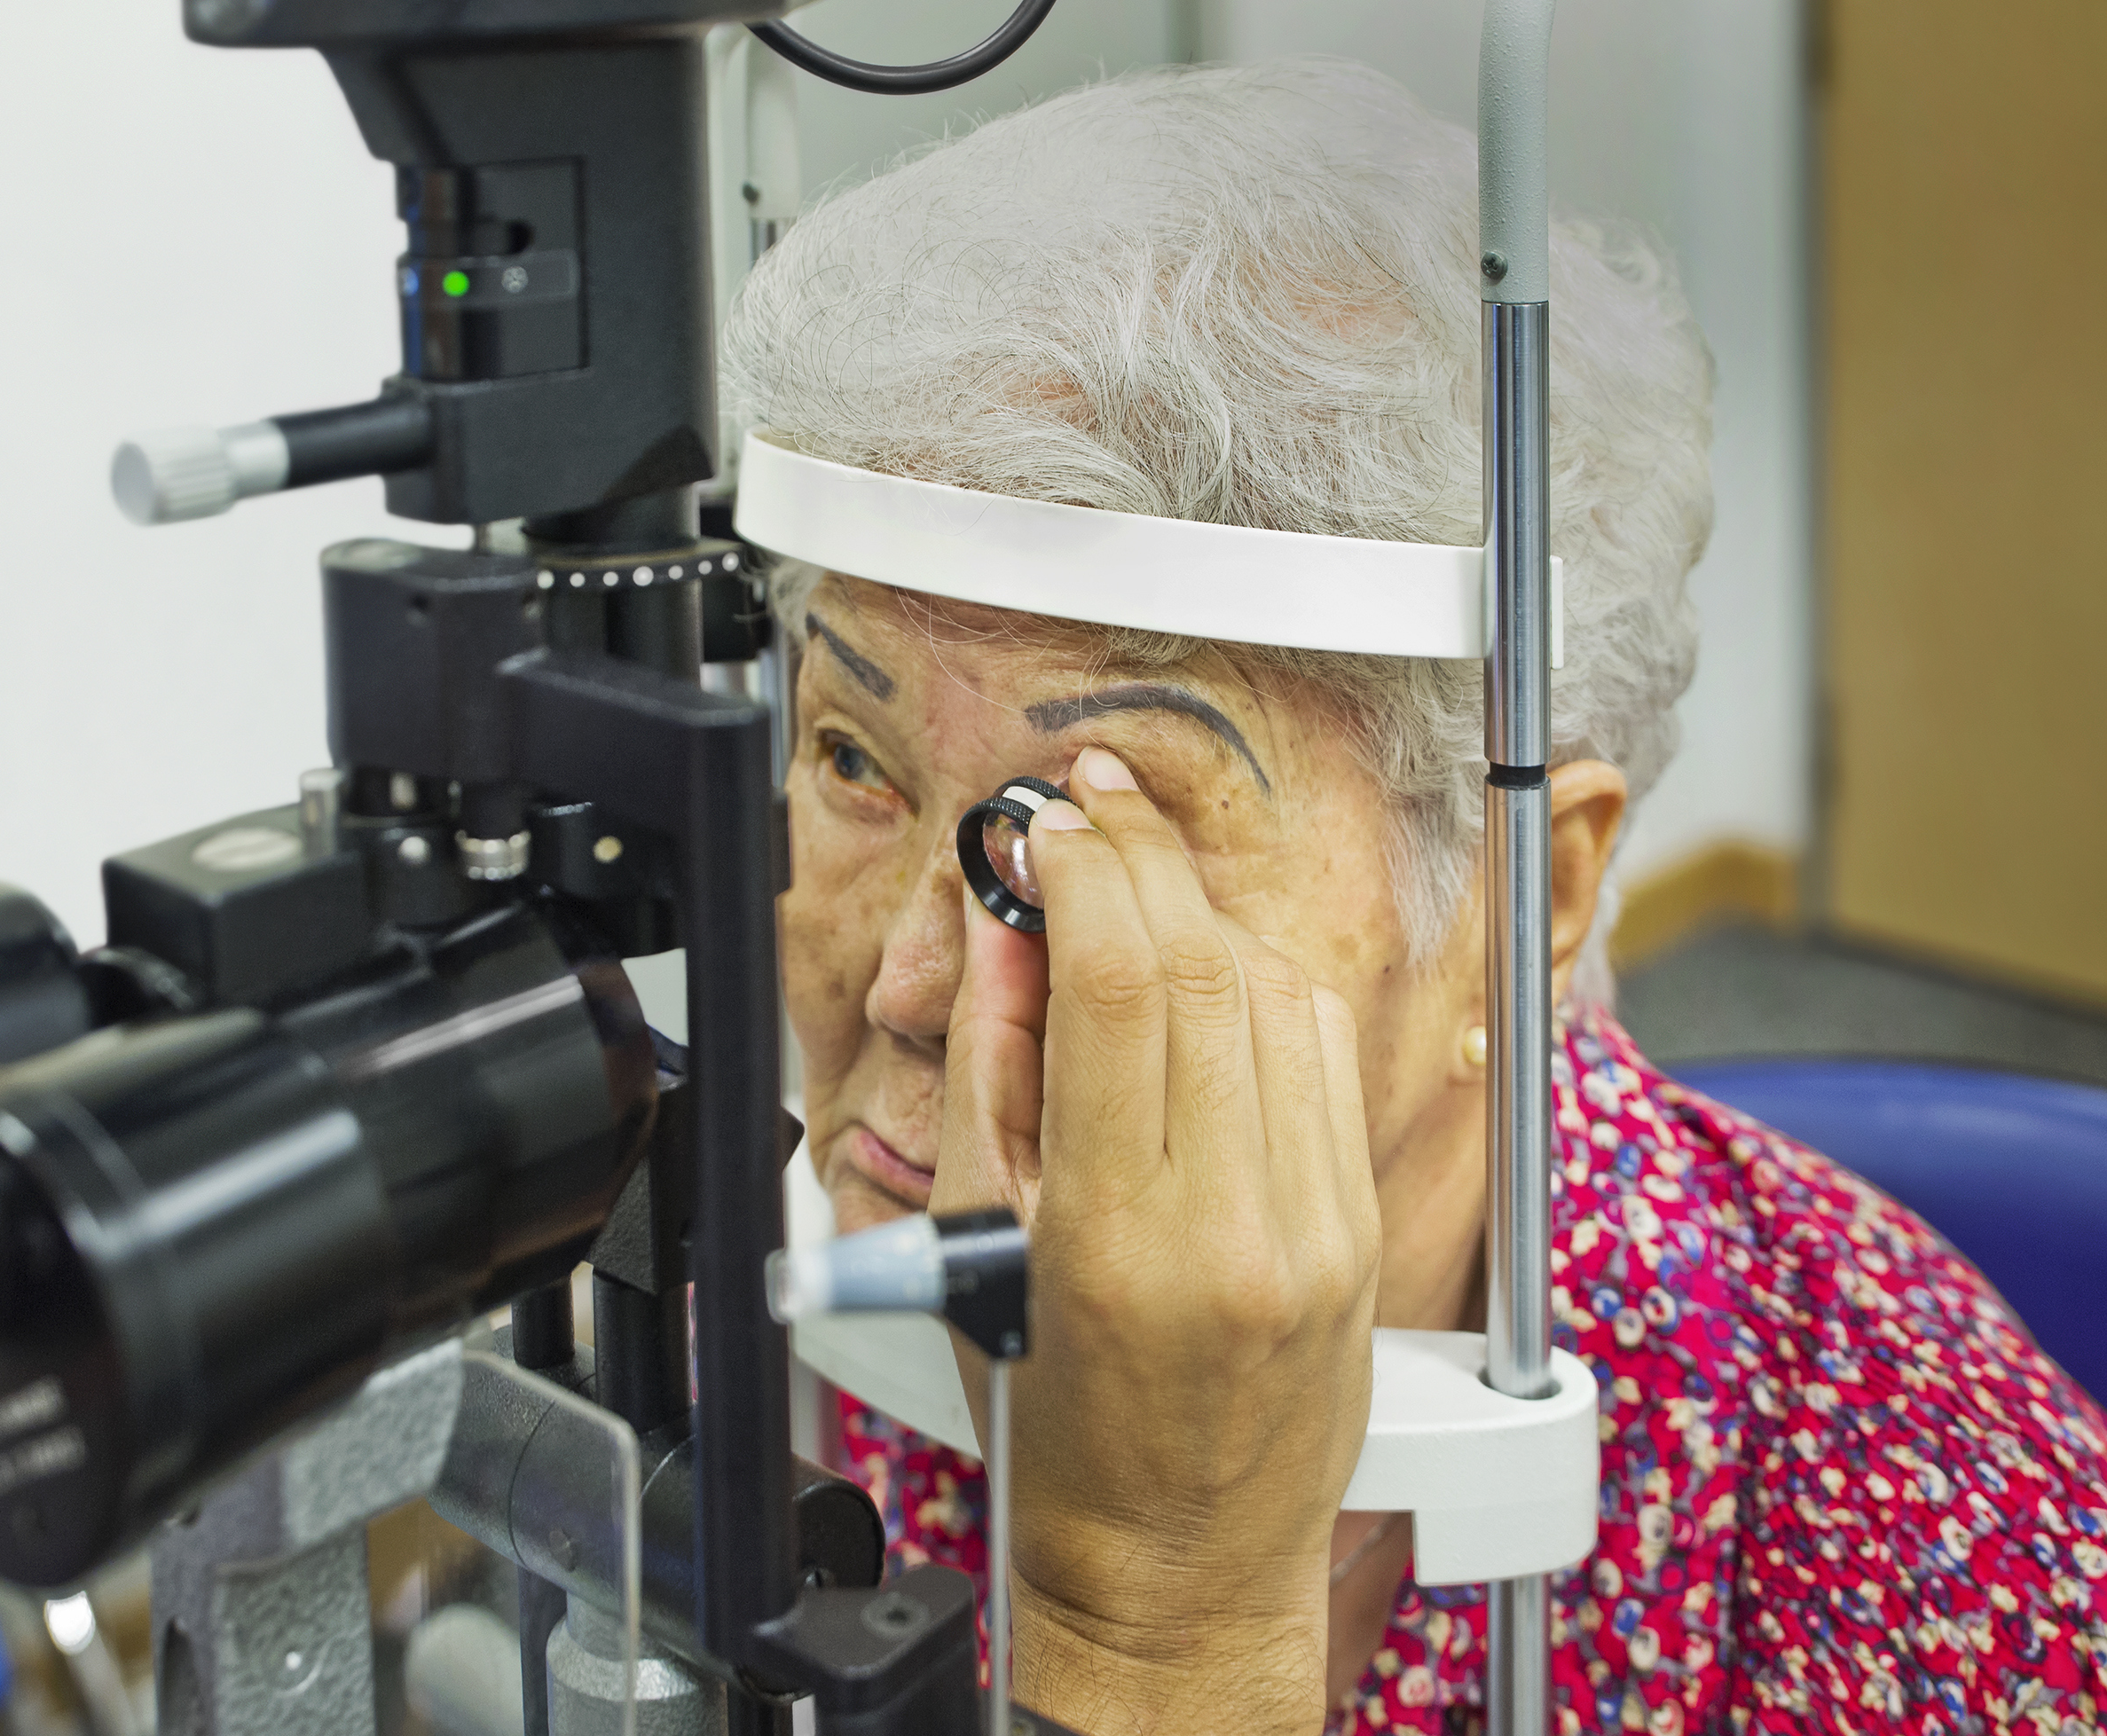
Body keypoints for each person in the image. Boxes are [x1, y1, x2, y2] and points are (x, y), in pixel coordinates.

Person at [723, 58, 2107, 1736]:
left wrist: (1160, 1628)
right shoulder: (781, 1313)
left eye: (1095, 832)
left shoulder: (1941, 1571)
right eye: (855, 762)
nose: (907, 981)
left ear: (1536, 893)